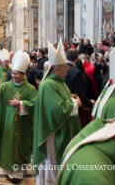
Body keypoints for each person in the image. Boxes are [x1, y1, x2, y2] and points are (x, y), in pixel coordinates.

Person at [33, 38, 82, 185]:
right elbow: (57, 110)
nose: (67, 68)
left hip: (59, 130)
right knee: (53, 164)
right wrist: (75, 102)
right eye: (64, 66)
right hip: (53, 133)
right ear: (55, 69)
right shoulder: (49, 84)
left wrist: (71, 98)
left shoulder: (58, 82)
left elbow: (60, 101)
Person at [0, 50, 37, 183]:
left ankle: (20, 168)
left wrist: (20, 103)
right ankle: (10, 170)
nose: (14, 76)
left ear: (23, 74)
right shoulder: (4, 86)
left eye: (17, 74)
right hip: (7, 124)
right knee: (9, 146)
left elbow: (35, 104)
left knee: (22, 146)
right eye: (13, 73)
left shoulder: (30, 89)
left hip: (24, 125)